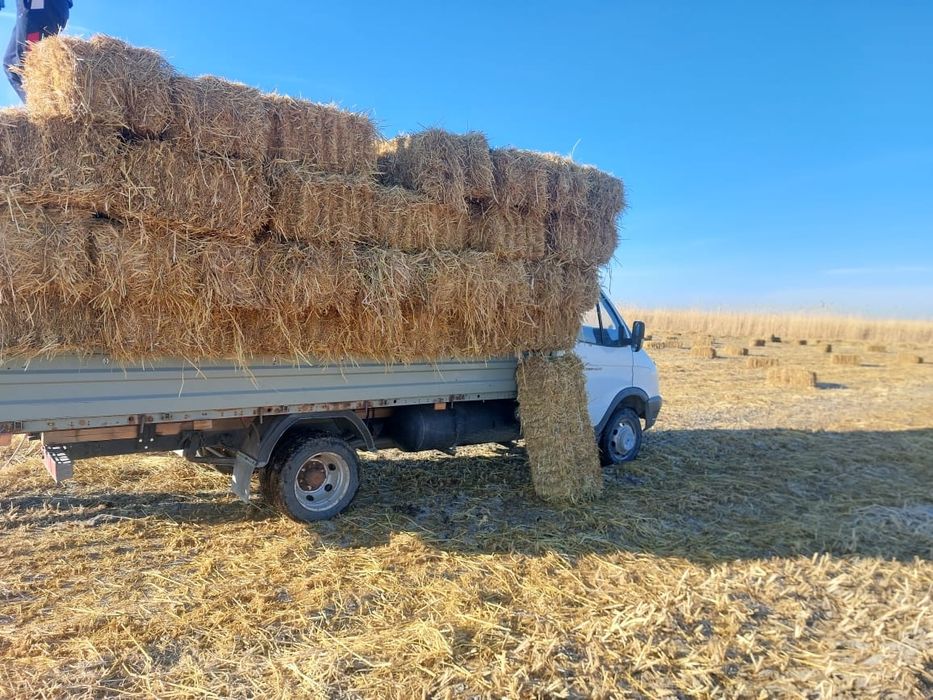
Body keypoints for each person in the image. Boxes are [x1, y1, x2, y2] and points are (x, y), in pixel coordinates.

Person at [2, 0, 72, 101]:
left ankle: (48, 107)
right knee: (10, 63)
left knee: (29, 60)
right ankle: (38, 108)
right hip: (37, 9)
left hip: (39, 6)